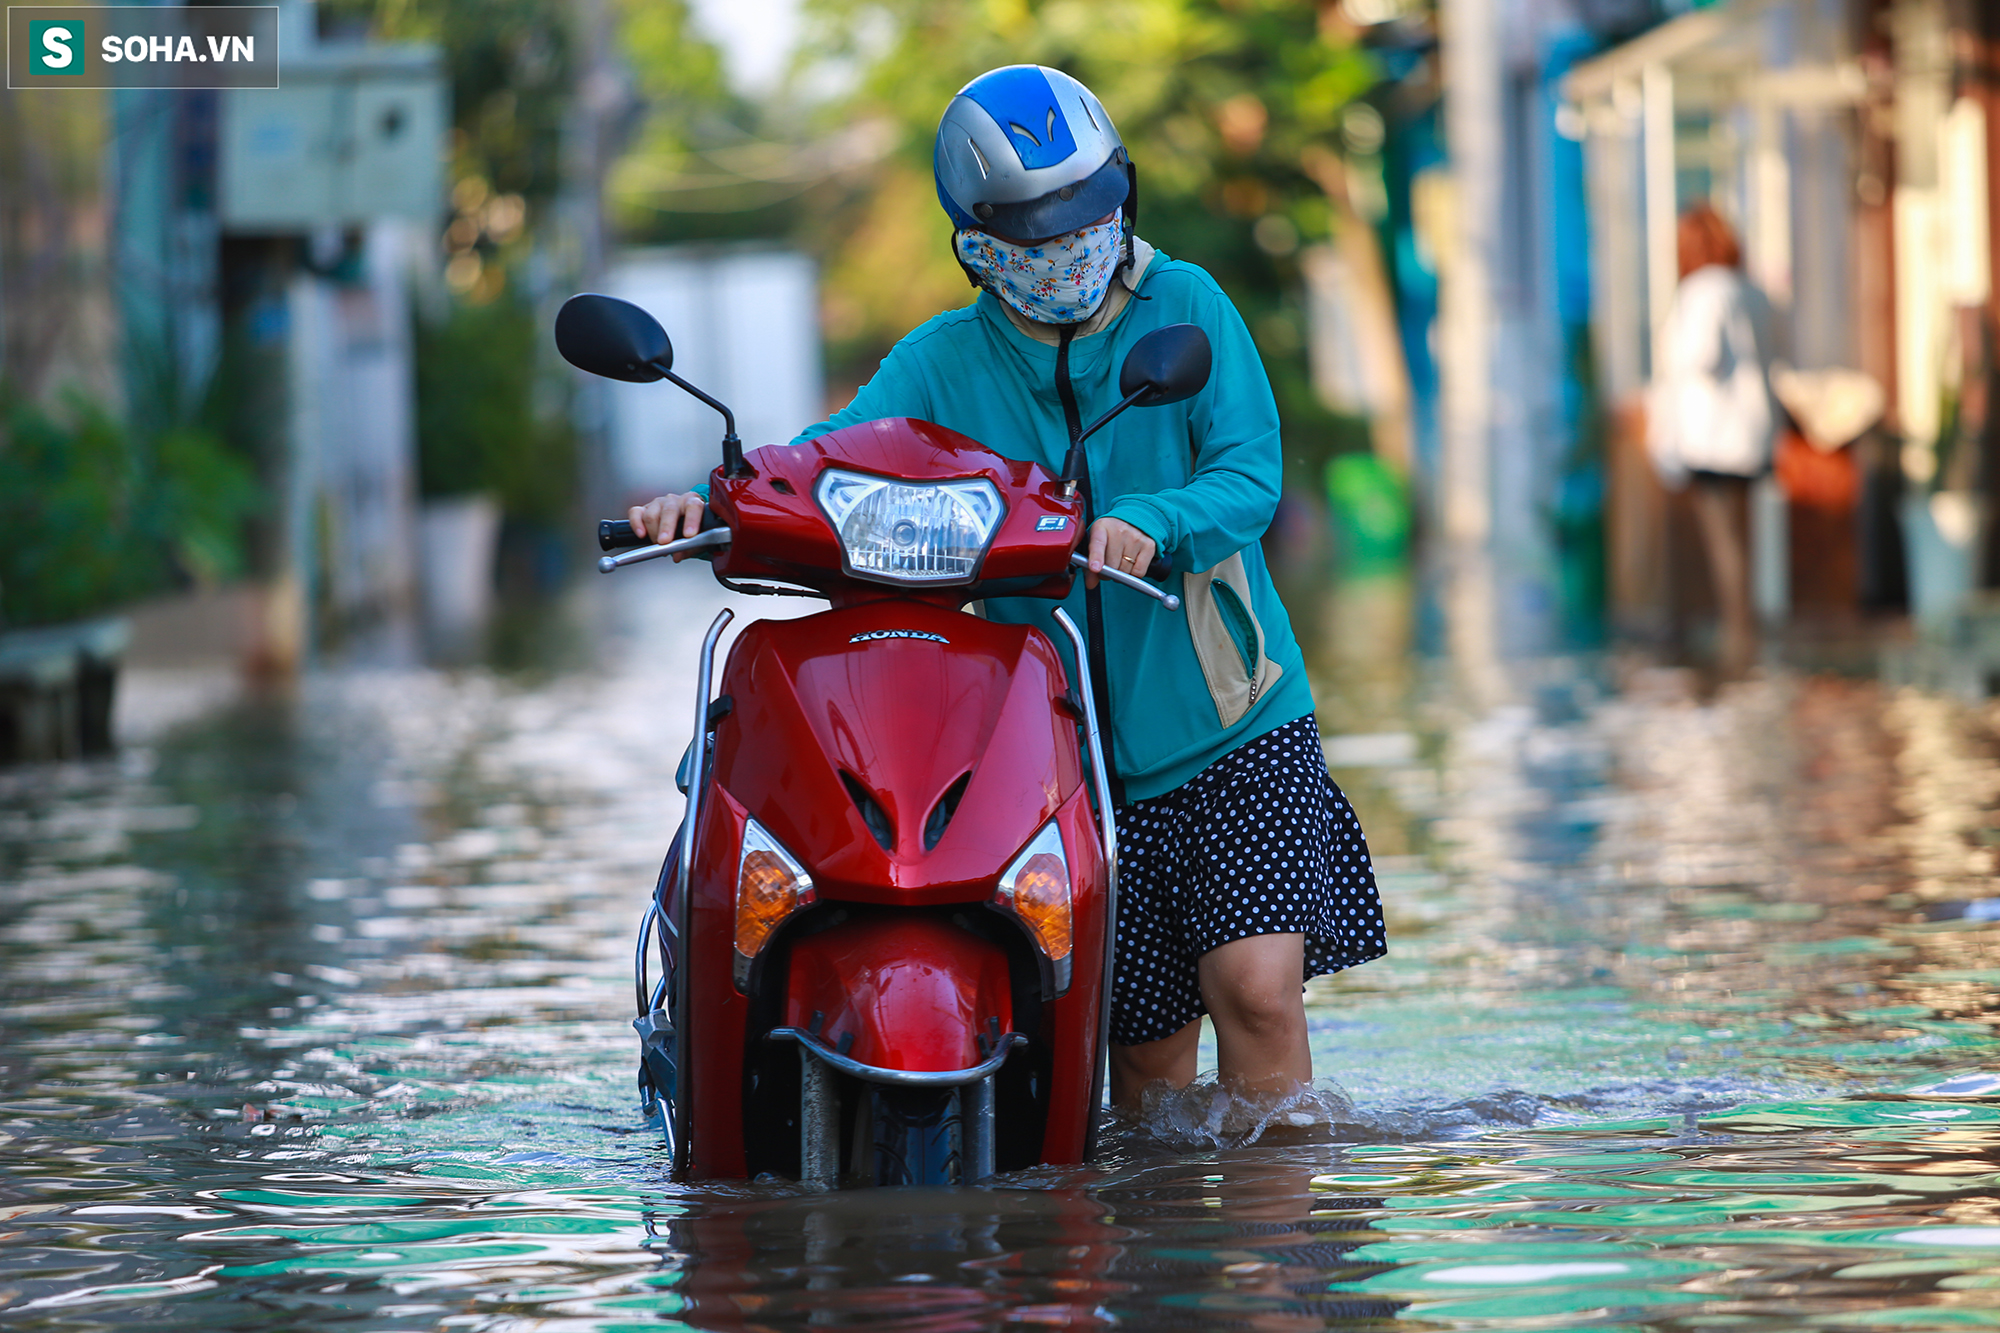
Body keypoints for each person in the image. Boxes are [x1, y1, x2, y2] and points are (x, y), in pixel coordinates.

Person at [631, 65, 1385, 1111]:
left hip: (1229, 723)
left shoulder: (1186, 304)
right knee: (1149, 1064)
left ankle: (1285, 1255)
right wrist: (707, 505)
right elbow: (816, 463)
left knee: (1256, 993)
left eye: (1089, 215)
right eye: (1038, 232)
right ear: (978, 242)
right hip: (1061, 751)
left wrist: (1149, 521)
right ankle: (1174, 1264)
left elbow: (1247, 474)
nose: (1072, 247)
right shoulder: (942, 363)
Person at [1646, 202, 1775, 672]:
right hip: (1752, 429)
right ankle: (1743, 628)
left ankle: (1737, 638)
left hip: (1712, 434)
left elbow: (1699, 356)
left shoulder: (1701, 292)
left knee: (1721, 540)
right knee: (1742, 536)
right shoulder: (1750, 291)